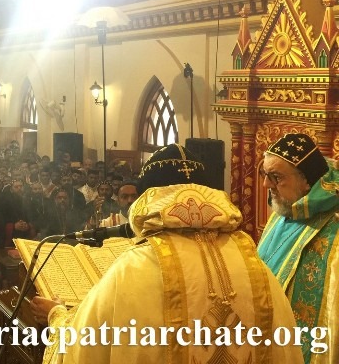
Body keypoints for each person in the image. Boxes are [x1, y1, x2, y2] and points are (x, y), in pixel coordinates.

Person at [30, 144, 303, 363]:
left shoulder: (135, 268)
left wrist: (56, 315)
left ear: (149, 197)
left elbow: (83, 344)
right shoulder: (253, 265)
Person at [257, 133, 339, 363]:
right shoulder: (284, 211)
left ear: (306, 180)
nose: (266, 185)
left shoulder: (334, 226)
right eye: (265, 175)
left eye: (276, 177)